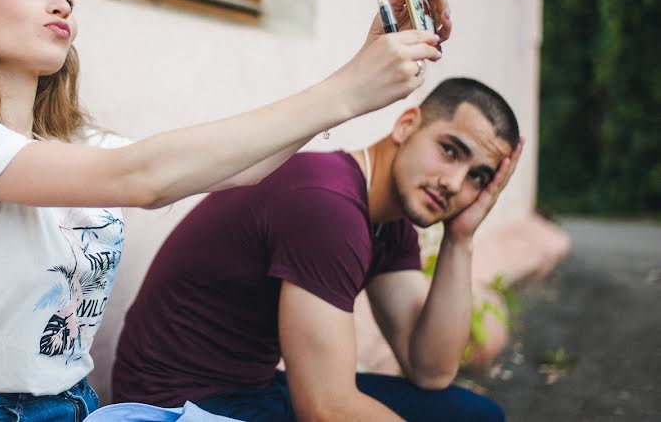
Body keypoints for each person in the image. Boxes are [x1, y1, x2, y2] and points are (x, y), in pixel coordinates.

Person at [0, 0, 449, 421]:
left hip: (82, 403)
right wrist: (347, 88)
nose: (59, 2)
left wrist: (359, 70)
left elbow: (239, 166)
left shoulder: (80, 147)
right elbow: (143, 180)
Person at [113, 77, 524, 422]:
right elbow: (326, 408)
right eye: (450, 151)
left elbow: (430, 369)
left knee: (473, 415)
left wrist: (460, 238)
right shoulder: (329, 207)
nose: (454, 183)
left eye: (477, 177)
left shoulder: (391, 220)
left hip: (252, 391)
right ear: (406, 125)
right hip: (175, 406)